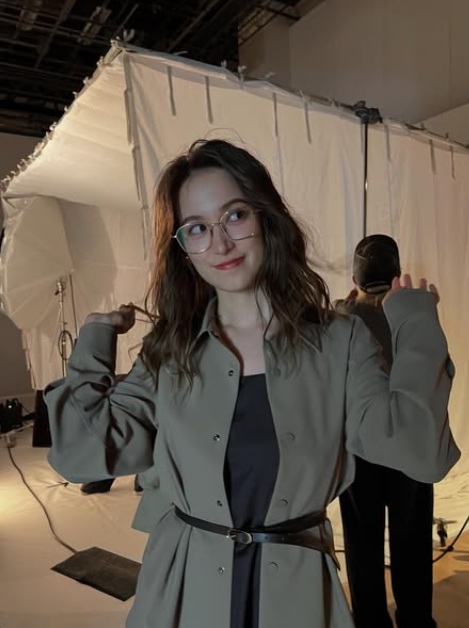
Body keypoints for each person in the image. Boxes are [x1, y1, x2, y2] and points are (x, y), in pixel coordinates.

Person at [44, 139, 459, 628]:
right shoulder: (170, 350)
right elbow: (83, 456)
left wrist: (415, 326)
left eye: (235, 216)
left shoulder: (340, 341)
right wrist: (94, 342)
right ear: (183, 248)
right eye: (197, 228)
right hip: (183, 593)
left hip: (296, 597)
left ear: (267, 216)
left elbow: (421, 454)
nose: (219, 244)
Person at [336, 235, 437, 628]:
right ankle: (415, 619)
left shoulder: (339, 321)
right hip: (410, 445)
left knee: (362, 542)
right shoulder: (414, 313)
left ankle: (370, 620)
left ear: (355, 279)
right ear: (397, 273)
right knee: (412, 539)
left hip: (361, 446)